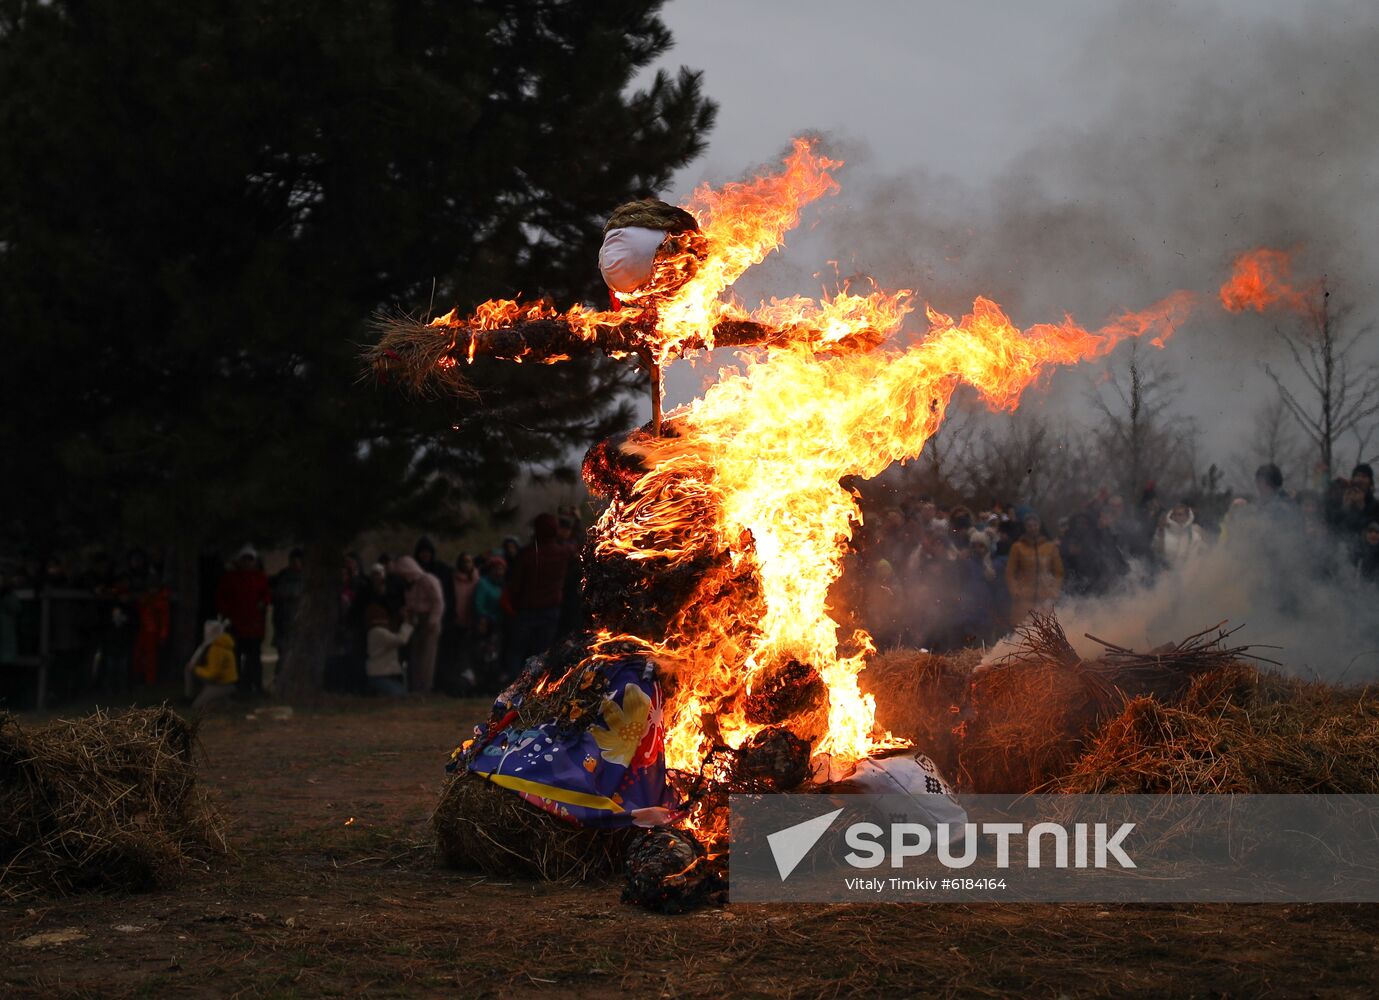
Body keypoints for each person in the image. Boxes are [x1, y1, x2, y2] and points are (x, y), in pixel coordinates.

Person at [502, 513, 575, 677]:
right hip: (550, 610)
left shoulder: (527, 555)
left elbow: (515, 585)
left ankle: (513, 688)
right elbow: (575, 545)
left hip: (525, 610)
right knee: (541, 653)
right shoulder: (562, 552)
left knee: (516, 651)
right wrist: (574, 522)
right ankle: (535, 688)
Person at [216, 545, 271, 695]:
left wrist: (263, 604)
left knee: (254, 657)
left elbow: (266, 596)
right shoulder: (230, 578)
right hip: (236, 624)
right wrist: (227, 614)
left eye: (250, 559)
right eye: (244, 559)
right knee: (235, 657)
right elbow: (222, 598)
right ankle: (237, 686)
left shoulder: (260, 578)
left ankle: (256, 686)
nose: (247, 563)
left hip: (254, 625)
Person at [393, 555, 444, 693]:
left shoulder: (428, 580)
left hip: (429, 622)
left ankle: (425, 688)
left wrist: (432, 621)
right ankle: (415, 687)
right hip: (415, 621)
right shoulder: (409, 585)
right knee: (415, 655)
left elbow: (437, 602)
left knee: (426, 656)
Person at [1005, 512, 1064, 624]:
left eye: (1035, 525)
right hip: (1024, 599)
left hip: (1045, 598)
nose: (1032, 528)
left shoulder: (1050, 547)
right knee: (1024, 631)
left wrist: (1055, 589)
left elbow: (1058, 572)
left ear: (1039, 526)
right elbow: (1010, 572)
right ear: (1025, 527)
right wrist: (1015, 591)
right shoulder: (1017, 547)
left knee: (1046, 630)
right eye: (1029, 525)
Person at [183, 618, 238, 710]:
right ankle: (194, 696)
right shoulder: (219, 644)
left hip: (221, 684)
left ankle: (223, 702)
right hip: (223, 682)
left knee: (197, 706)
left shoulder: (217, 648)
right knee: (189, 669)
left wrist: (196, 669)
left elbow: (213, 674)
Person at [364, 603, 413, 697]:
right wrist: (407, 623)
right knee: (400, 695)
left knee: (401, 693)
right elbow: (401, 639)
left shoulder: (375, 632)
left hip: (381, 675)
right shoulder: (378, 632)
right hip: (379, 676)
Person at [1154, 500, 1207, 572]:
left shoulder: (1195, 533)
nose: (1177, 517)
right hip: (1167, 574)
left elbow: (1203, 554)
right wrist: (1161, 534)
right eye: (1175, 514)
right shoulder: (1164, 531)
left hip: (1189, 573)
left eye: (1180, 514)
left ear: (1187, 516)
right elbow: (1157, 552)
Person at [271, 548, 305, 653]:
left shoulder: (307, 578)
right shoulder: (283, 576)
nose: (294, 564)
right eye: (292, 561)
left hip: (300, 622)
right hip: (284, 622)